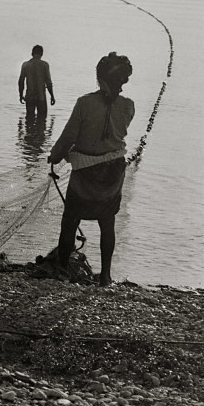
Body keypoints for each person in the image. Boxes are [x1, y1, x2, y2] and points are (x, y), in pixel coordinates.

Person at [48, 52, 135, 287]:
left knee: (70, 219)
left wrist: (55, 156)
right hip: (113, 173)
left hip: (86, 172)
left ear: (99, 78)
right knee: (107, 223)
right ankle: (105, 276)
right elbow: (114, 134)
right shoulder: (128, 106)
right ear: (122, 80)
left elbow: (69, 137)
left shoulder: (85, 103)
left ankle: (62, 270)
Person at [18, 45, 55, 119]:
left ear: (32, 53)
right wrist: (52, 96)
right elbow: (48, 82)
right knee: (42, 120)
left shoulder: (26, 65)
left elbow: (21, 81)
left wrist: (21, 95)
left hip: (29, 97)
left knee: (29, 119)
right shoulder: (44, 65)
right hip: (41, 97)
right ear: (41, 54)